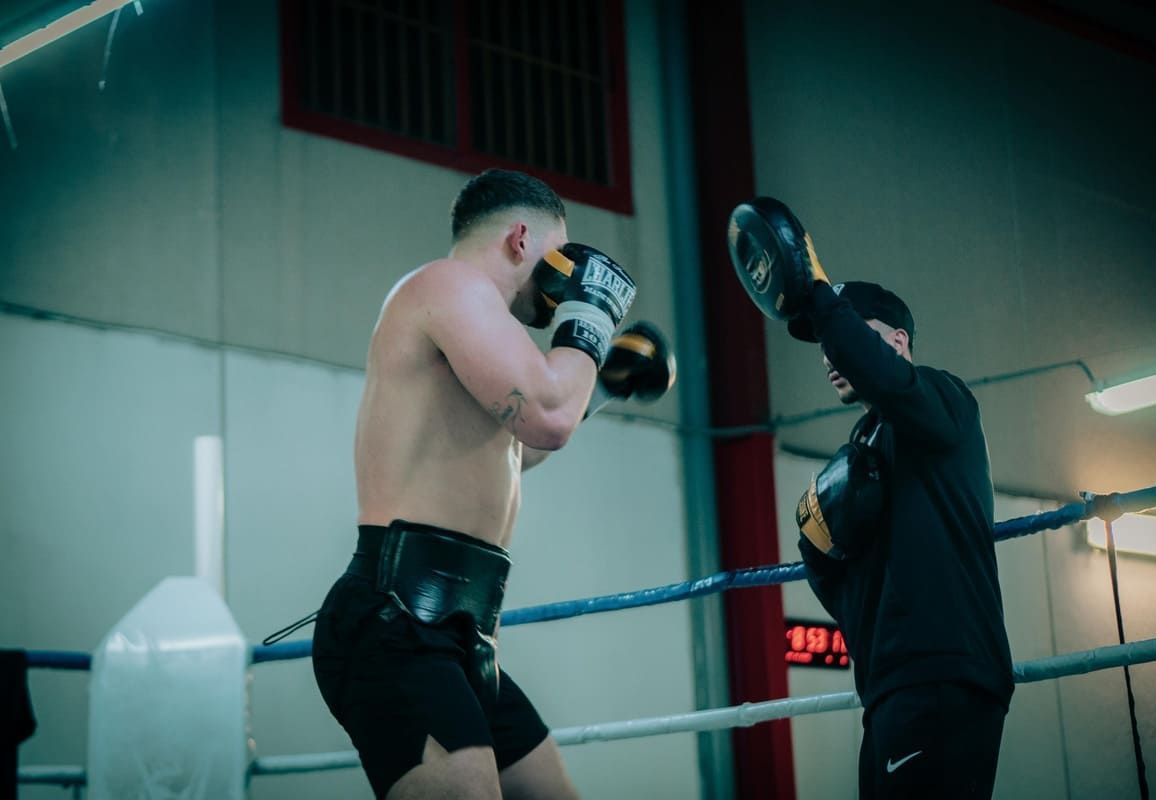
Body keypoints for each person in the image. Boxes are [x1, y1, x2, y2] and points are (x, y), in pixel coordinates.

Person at [311, 168, 675, 800]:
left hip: (464, 631)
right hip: (399, 619)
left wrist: (605, 387)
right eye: (557, 254)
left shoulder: (481, 329)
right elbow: (549, 417)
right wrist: (590, 318)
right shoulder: (448, 286)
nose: (564, 279)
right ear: (519, 238)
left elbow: (522, 445)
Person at [728, 198, 1014, 799]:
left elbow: (885, 378)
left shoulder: (942, 400)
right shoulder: (863, 443)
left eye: (850, 338)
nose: (831, 355)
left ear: (899, 341)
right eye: (826, 346)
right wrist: (817, 545)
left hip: (943, 672)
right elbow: (842, 584)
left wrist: (820, 297)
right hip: (889, 683)